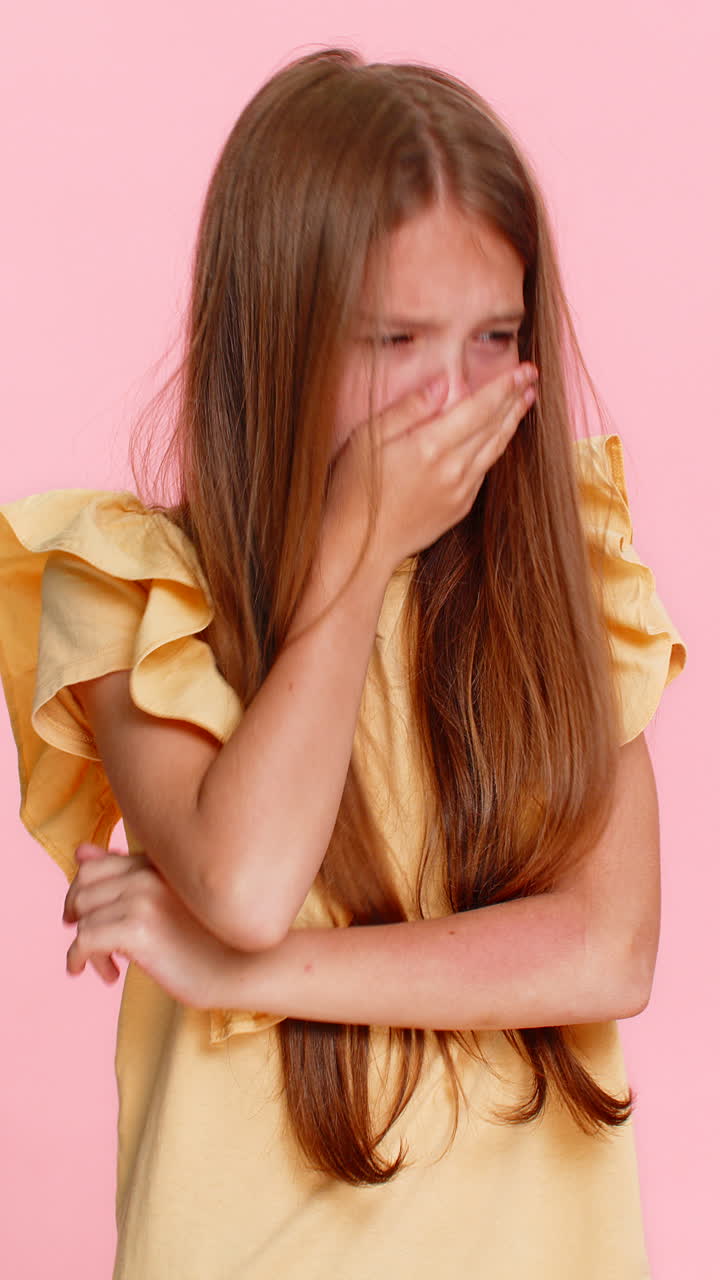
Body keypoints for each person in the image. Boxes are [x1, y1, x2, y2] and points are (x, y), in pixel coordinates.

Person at [0, 46, 688, 1279]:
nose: (450, 394)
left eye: (494, 336)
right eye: (396, 339)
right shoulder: (130, 588)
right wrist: (359, 547)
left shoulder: (565, 575)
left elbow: (607, 947)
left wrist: (240, 973)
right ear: (278, 336)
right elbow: (249, 874)